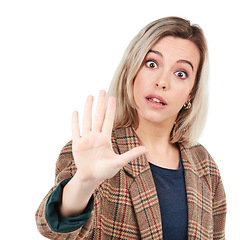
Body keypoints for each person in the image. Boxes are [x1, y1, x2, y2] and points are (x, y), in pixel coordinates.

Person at [36, 17, 226, 239]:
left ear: (191, 93)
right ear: (132, 70)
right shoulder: (95, 150)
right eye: (152, 64)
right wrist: (84, 182)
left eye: (181, 73)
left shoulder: (204, 164)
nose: (162, 81)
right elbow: (55, 230)